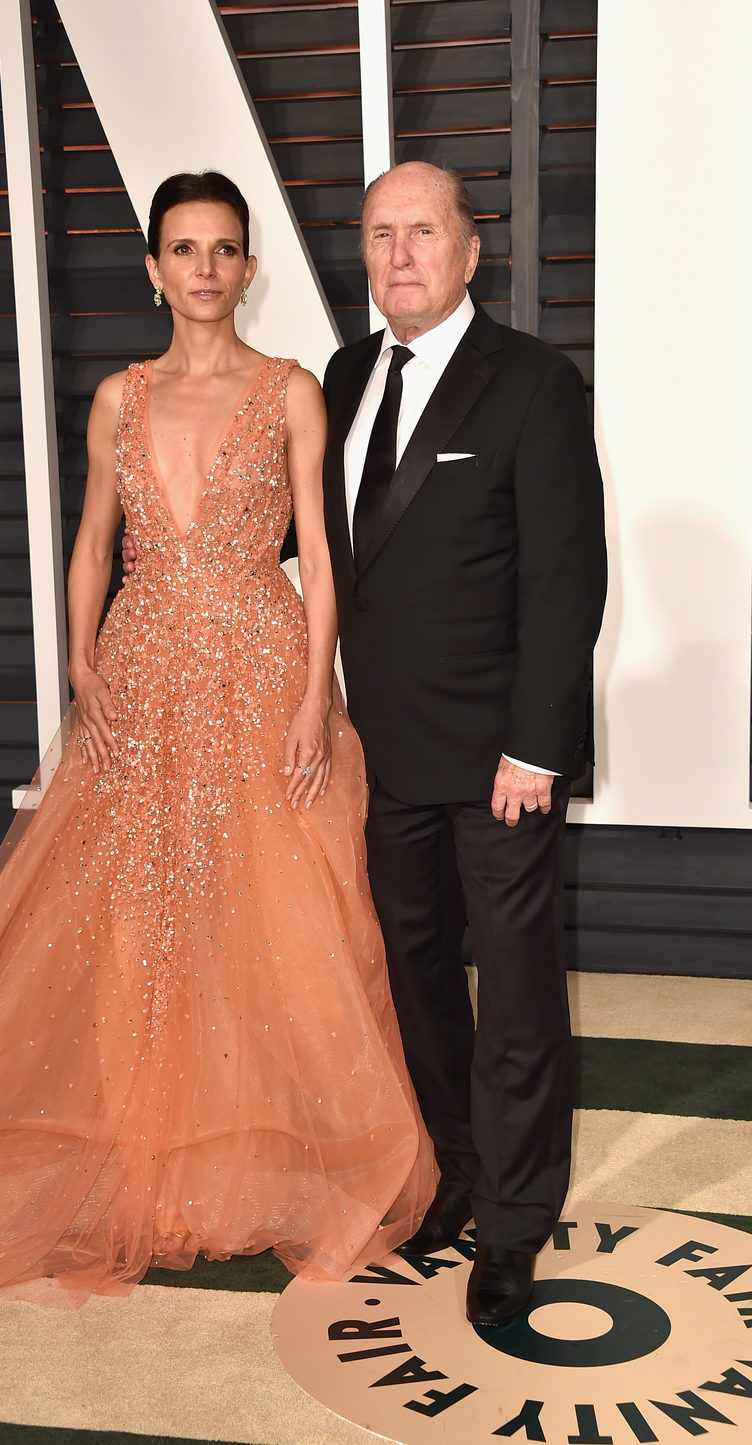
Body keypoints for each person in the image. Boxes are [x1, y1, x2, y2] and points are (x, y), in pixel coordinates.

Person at [0, 171, 434, 1302]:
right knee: (140, 906)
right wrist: (84, 661)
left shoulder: (291, 393)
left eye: (222, 248)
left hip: (258, 666)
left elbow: (323, 560)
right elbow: (93, 539)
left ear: (248, 267)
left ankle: (254, 1142)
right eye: (182, 248)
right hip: (141, 675)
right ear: (153, 268)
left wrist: (310, 697)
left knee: (271, 909)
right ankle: (139, 1135)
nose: (202, 268)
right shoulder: (118, 398)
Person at [322, 161, 607, 1325]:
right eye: (382, 234)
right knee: (418, 978)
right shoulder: (343, 376)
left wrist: (536, 747)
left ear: (470, 249)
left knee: (521, 993)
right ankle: (455, 1172)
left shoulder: (534, 381)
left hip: (500, 765)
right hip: (379, 754)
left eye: (423, 231)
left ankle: (519, 1219)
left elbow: (564, 576)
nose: (400, 255)